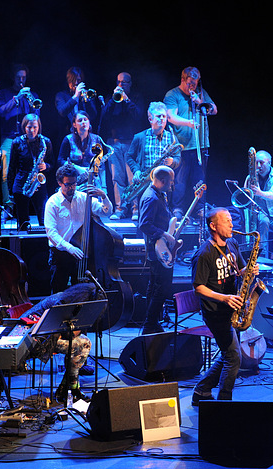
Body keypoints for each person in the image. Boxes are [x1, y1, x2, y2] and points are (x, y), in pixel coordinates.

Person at [191, 208, 257, 405]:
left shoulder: (232, 243)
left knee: (229, 354)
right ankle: (224, 403)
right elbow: (198, 287)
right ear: (213, 226)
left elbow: (239, 271)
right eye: (227, 221)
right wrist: (225, 298)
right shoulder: (204, 253)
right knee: (234, 358)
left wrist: (249, 270)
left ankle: (201, 390)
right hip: (216, 312)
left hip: (233, 309)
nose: (232, 225)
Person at [20, 283, 101, 403]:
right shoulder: (61, 303)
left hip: (49, 335)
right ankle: (70, 388)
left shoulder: (68, 299)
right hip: (33, 338)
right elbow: (67, 333)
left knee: (83, 344)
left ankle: (68, 388)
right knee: (83, 345)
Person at [44, 162, 113, 294]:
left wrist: (103, 196)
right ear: (59, 183)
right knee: (59, 292)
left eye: (74, 184)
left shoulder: (83, 198)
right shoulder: (52, 203)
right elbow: (51, 233)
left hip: (82, 253)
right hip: (61, 254)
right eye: (68, 184)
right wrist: (69, 247)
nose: (72, 188)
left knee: (82, 293)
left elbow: (106, 212)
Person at [164, 67, 217, 219]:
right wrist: (189, 123)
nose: (193, 87)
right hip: (182, 146)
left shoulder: (200, 93)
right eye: (190, 83)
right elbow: (171, 117)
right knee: (179, 180)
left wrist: (201, 102)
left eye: (195, 83)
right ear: (183, 80)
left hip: (200, 145)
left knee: (200, 179)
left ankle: (200, 208)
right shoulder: (173, 95)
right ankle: (178, 209)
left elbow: (214, 110)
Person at [99, 72, 147, 215]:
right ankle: (120, 208)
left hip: (131, 143)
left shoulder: (137, 98)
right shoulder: (111, 98)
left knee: (133, 178)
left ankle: (135, 209)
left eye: (124, 82)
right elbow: (104, 117)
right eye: (118, 82)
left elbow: (138, 116)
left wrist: (127, 101)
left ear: (130, 83)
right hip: (114, 143)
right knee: (117, 177)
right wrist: (113, 101)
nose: (121, 85)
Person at [125, 102, 182, 221]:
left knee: (162, 218)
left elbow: (178, 159)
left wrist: (172, 161)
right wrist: (136, 171)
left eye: (164, 116)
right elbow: (129, 156)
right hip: (146, 182)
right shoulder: (140, 137)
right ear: (150, 118)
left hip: (164, 183)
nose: (162, 119)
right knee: (145, 217)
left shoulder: (171, 137)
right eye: (158, 116)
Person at [137, 166, 177, 335]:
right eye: (170, 181)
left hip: (159, 247)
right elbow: (144, 225)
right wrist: (165, 235)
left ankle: (152, 322)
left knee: (155, 287)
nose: (172, 184)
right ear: (161, 181)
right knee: (161, 288)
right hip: (157, 250)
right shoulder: (151, 198)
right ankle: (149, 324)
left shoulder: (159, 194)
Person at [0, 64, 40, 209]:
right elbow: (1, 111)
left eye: (24, 77)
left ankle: (28, 205)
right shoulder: (4, 93)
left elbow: (36, 116)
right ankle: (8, 206)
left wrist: (30, 103)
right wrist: (16, 99)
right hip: (9, 137)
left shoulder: (32, 95)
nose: (21, 80)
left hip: (27, 139)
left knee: (30, 171)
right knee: (6, 172)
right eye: (18, 77)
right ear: (13, 77)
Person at [8, 113, 53, 231]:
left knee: (44, 219)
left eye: (35, 127)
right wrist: (10, 189)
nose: (32, 130)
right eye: (29, 127)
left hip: (38, 183)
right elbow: (12, 167)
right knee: (23, 221)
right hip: (22, 182)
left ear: (39, 127)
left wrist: (46, 166)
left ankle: (44, 246)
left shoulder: (45, 142)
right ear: (24, 127)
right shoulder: (17, 142)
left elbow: (52, 163)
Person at [241, 150, 273, 259]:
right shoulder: (251, 176)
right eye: (256, 163)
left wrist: (259, 192)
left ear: (269, 163)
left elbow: (272, 195)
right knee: (263, 222)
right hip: (260, 212)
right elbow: (246, 196)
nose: (258, 166)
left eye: (262, 163)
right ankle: (262, 256)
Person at [58, 110, 113, 197]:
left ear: (89, 122)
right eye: (80, 120)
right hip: (75, 182)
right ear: (74, 124)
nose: (83, 122)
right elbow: (60, 160)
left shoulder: (97, 139)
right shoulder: (68, 139)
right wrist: (77, 168)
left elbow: (101, 166)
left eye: (85, 120)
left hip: (94, 181)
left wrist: (104, 188)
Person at [54, 66, 102, 145]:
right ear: (68, 81)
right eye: (73, 80)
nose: (76, 83)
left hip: (86, 137)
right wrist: (75, 97)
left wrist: (87, 101)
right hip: (67, 137)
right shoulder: (61, 95)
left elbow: (93, 115)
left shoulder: (87, 95)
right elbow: (62, 112)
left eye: (78, 80)